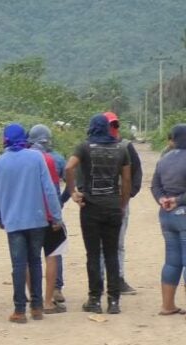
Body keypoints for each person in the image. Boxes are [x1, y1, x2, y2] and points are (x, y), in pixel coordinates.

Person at [0, 124, 63, 323]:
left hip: (13, 222)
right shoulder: (36, 158)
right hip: (37, 219)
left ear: (5, 139)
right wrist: (56, 216)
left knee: (19, 265)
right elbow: (48, 189)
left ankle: (20, 310)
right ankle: (37, 308)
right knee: (35, 262)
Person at [65, 114, 131, 314]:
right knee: (111, 253)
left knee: (93, 254)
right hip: (113, 207)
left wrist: (72, 192)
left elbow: (69, 167)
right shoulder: (122, 149)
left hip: (91, 208)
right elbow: (126, 180)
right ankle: (113, 301)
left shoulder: (84, 147)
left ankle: (94, 299)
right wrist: (122, 203)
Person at [99, 112, 142, 295]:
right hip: (100, 201)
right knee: (100, 244)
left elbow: (137, 172)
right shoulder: (93, 147)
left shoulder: (126, 146)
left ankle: (118, 279)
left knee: (119, 243)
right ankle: (99, 281)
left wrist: (129, 194)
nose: (113, 129)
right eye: (110, 125)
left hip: (120, 201)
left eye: (115, 125)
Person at [28, 125, 66, 313]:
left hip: (28, 216)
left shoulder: (22, 158)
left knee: (29, 258)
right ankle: (52, 295)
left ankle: (33, 296)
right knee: (52, 255)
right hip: (50, 214)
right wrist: (59, 208)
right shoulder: (55, 159)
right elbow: (53, 189)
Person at [151, 124, 186, 315]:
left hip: (166, 216)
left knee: (172, 261)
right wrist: (178, 200)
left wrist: (163, 199)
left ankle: (167, 305)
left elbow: (155, 186)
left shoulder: (163, 160)